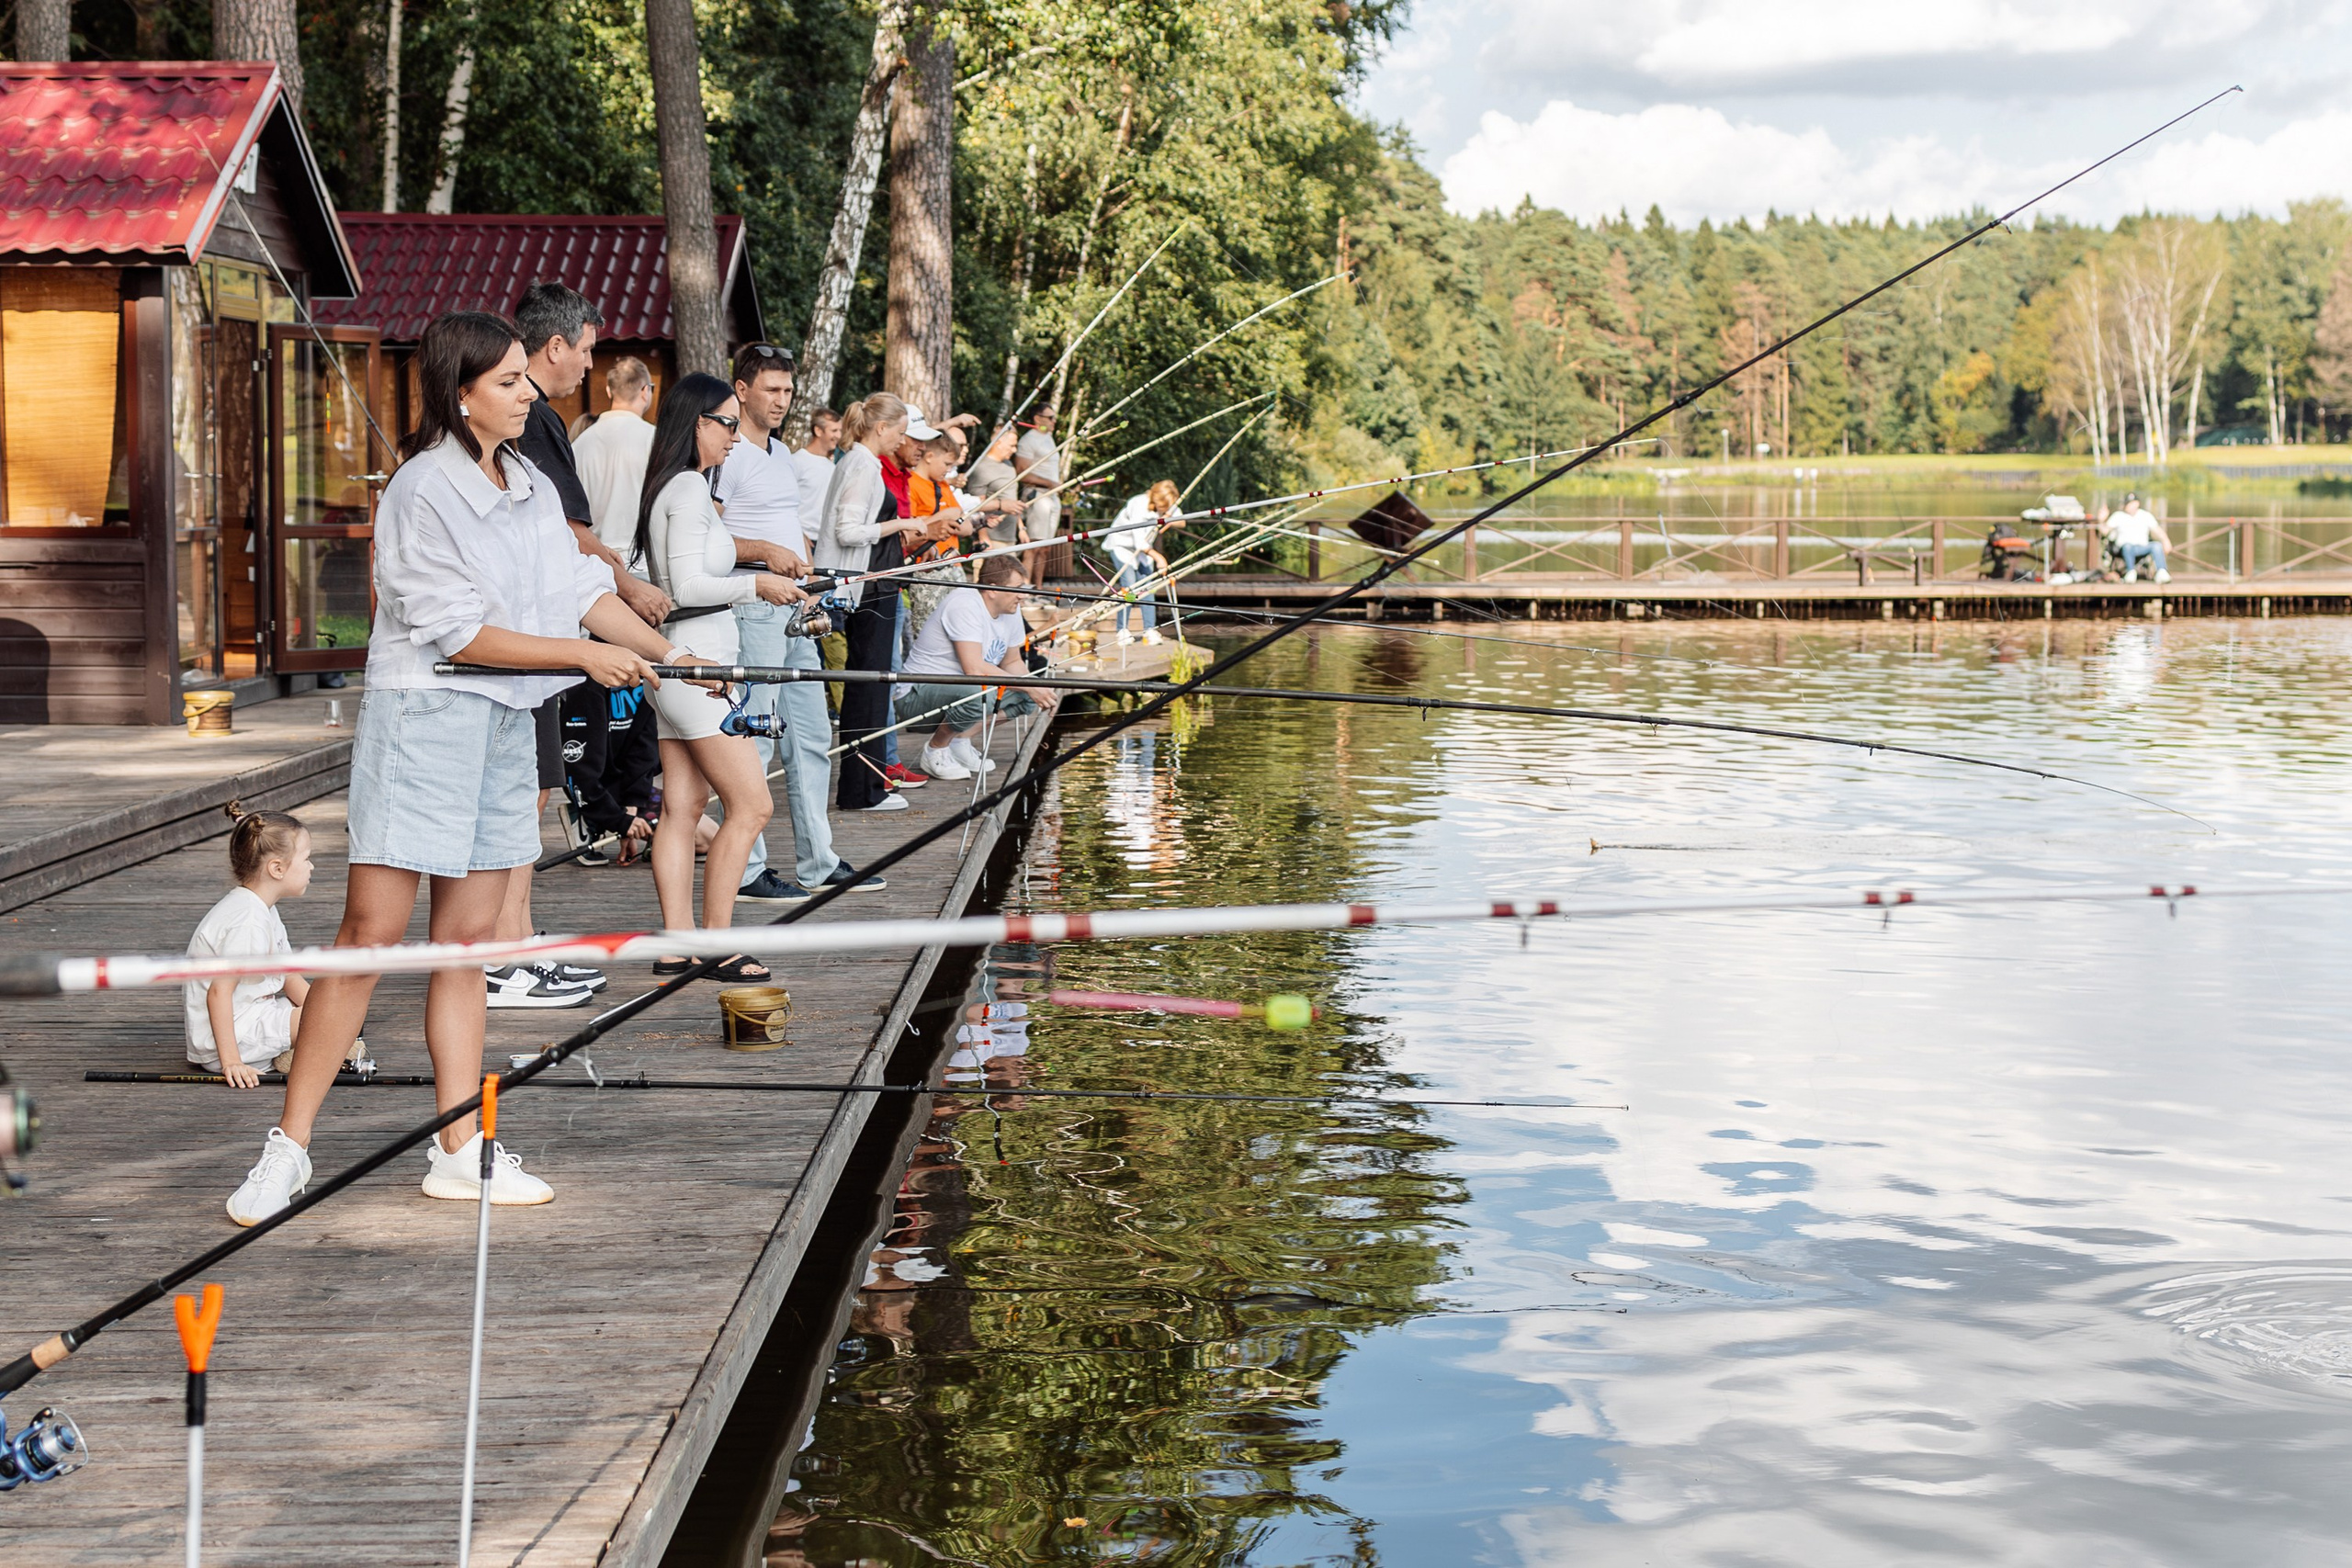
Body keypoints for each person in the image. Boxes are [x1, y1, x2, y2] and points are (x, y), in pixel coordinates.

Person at [226, 310, 696, 1226]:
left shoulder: (523, 480)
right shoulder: (419, 493)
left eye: (527, 377)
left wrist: (669, 657)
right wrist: (584, 660)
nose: (530, 395)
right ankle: (286, 1151)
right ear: (461, 392)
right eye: (511, 382)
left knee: (467, 952)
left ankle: (457, 1148)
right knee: (369, 939)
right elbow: (464, 637)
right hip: (425, 725)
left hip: (500, 732)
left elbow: (581, 595)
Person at [500, 283, 665, 1008]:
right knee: (528, 794)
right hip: (531, 644)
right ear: (555, 344)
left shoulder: (549, 423)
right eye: (589, 350)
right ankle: (502, 952)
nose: (592, 367)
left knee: (535, 789)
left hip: (551, 635)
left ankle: (518, 935)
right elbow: (566, 534)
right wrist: (624, 579)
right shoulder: (529, 422)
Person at [638, 372, 801, 978]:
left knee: (682, 807)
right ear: (697, 422)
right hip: (696, 669)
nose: (736, 435)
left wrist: (763, 555)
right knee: (753, 804)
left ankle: (677, 944)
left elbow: (694, 563)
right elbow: (685, 587)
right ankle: (718, 945)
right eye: (727, 422)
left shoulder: (680, 490)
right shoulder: (684, 488)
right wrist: (757, 582)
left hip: (682, 665)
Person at [714, 344, 881, 903]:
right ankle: (746, 870)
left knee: (811, 736)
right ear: (742, 390)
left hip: (796, 606)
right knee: (757, 738)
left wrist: (809, 590)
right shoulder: (727, 452)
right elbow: (705, 539)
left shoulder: (781, 453)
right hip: (752, 606)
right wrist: (765, 553)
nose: (782, 400)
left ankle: (818, 860)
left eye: (788, 390)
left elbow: (794, 532)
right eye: (771, 389)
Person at [564, 354, 662, 860]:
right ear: (645, 392)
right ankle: (628, 808)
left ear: (607, 392)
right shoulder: (655, 442)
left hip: (591, 570)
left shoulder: (581, 442)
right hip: (641, 575)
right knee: (637, 697)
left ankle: (601, 814)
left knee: (595, 701)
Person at [813, 391, 931, 812]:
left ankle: (870, 785)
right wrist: (904, 523)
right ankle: (863, 791)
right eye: (900, 432)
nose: (902, 441)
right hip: (864, 590)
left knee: (873, 687)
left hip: (872, 588)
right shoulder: (862, 464)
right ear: (881, 428)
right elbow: (847, 531)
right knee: (870, 688)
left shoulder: (857, 461)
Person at [895, 554, 1058, 780]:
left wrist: (1036, 689)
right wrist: (1030, 686)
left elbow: (1012, 662)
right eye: (1018, 588)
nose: (1023, 595)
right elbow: (973, 668)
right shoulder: (964, 604)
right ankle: (936, 750)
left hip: (961, 693)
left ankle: (959, 740)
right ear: (992, 589)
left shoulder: (1011, 610)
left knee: (1027, 696)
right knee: (981, 692)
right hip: (916, 696)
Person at [187, 804, 314, 1089]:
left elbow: (288, 975)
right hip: (234, 1039)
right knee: (334, 1019)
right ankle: (297, 1053)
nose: (311, 867)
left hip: (254, 1016)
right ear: (277, 869)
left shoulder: (262, 908)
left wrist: (323, 1009)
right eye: (306, 859)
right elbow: (219, 992)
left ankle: (302, 1046)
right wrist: (230, 1060)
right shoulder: (247, 922)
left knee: (336, 1009)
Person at [1105, 479, 1178, 641]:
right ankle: (1122, 629)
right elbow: (1139, 541)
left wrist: (1169, 519)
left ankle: (1149, 629)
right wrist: (1159, 557)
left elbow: (1182, 520)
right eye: (1163, 507)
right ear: (1157, 499)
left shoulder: (1164, 505)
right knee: (1130, 587)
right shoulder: (1137, 504)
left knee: (1147, 587)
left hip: (1143, 553)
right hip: (1123, 547)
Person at [964, 425, 1025, 545]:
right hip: (991, 539)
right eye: (1011, 446)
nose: (1014, 450)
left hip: (1010, 537)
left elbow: (1013, 500)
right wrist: (983, 537)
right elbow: (975, 505)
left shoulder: (1009, 464)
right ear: (998, 442)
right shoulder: (981, 468)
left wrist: (1021, 528)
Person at [1015, 404, 1062, 544]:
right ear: (1037, 419)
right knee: (1035, 546)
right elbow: (1021, 474)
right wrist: (1050, 483)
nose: (1054, 421)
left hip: (1052, 498)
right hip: (1037, 497)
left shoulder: (1049, 437)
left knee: (1046, 548)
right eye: (1050, 417)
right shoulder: (1028, 440)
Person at [2105, 493, 2172, 583]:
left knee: (2156, 545)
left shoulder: (2145, 515)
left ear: (2137, 503)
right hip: (2124, 549)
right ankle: (2130, 572)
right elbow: (2104, 531)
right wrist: (2102, 519)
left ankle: (2162, 572)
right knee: (2127, 546)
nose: (2127, 506)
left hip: (2142, 547)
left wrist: (2165, 540)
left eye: (2130, 503)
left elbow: (2157, 530)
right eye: (2127, 503)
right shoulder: (2118, 516)